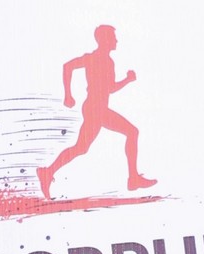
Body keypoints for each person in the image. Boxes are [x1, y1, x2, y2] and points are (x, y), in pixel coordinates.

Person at [37, 25, 154, 201]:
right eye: (113, 37)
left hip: (97, 109)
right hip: (95, 109)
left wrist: (127, 80)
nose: (116, 41)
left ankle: (47, 172)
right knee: (131, 132)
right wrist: (68, 94)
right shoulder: (93, 58)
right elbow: (67, 66)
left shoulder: (107, 61)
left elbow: (109, 88)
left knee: (81, 148)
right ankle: (133, 179)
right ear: (105, 40)